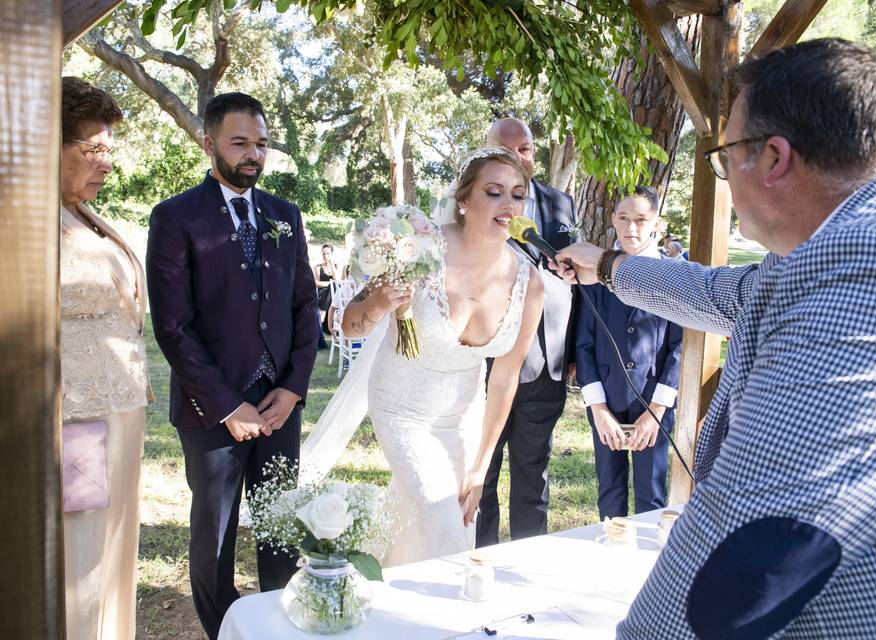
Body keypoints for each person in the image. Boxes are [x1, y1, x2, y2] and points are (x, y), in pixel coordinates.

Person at [554, 39, 876, 639]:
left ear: (772, 158)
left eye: (725, 156)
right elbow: (725, 296)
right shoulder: (856, 241)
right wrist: (608, 266)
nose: (725, 176)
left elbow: (747, 533)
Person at [304, 147, 545, 566]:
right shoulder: (415, 248)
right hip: (402, 407)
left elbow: (504, 378)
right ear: (464, 201)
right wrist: (379, 303)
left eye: (517, 194)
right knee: (442, 517)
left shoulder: (531, 282)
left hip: (464, 418)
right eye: (493, 192)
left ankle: (380, 598)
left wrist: (481, 465)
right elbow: (344, 324)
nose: (508, 204)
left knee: (451, 521)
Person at [146, 92, 318, 639]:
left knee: (278, 529)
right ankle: (224, 628)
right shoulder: (175, 218)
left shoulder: (285, 216)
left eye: (261, 144)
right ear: (210, 143)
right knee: (214, 535)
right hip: (212, 411)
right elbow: (173, 326)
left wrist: (291, 390)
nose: (253, 154)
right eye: (240, 142)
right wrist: (226, 405)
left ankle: (277, 623)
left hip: (279, 407)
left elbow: (304, 308)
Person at [59, 76, 152, 640]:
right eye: (93, 150)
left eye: (108, 151)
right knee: (83, 555)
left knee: (114, 546)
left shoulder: (83, 215)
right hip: (77, 421)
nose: (106, 165)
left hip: (121, 416)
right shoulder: (24, 223)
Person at [476, 118, 577, 546]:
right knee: (483, 475)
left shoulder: (560, 204)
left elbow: (576, 286)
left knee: (533, 476)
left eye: (526, 149)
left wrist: (574, 353)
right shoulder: (477, 205)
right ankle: (478, 563)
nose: (519, 157)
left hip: (547, 365)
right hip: (487, 363)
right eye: (506, 149)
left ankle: (526, 571)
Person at [575, 187, 682, 519]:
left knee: (652, 494)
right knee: (610, 491)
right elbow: (584, 344)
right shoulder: (594, 274)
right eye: (624, 218)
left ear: (657, 224)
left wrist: (657, 410)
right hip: (607, 401)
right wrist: (598, 409)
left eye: (641, 220)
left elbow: (678, 347)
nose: (631, 228)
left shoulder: (673, 274)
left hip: (653, 405)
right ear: (612, 219)